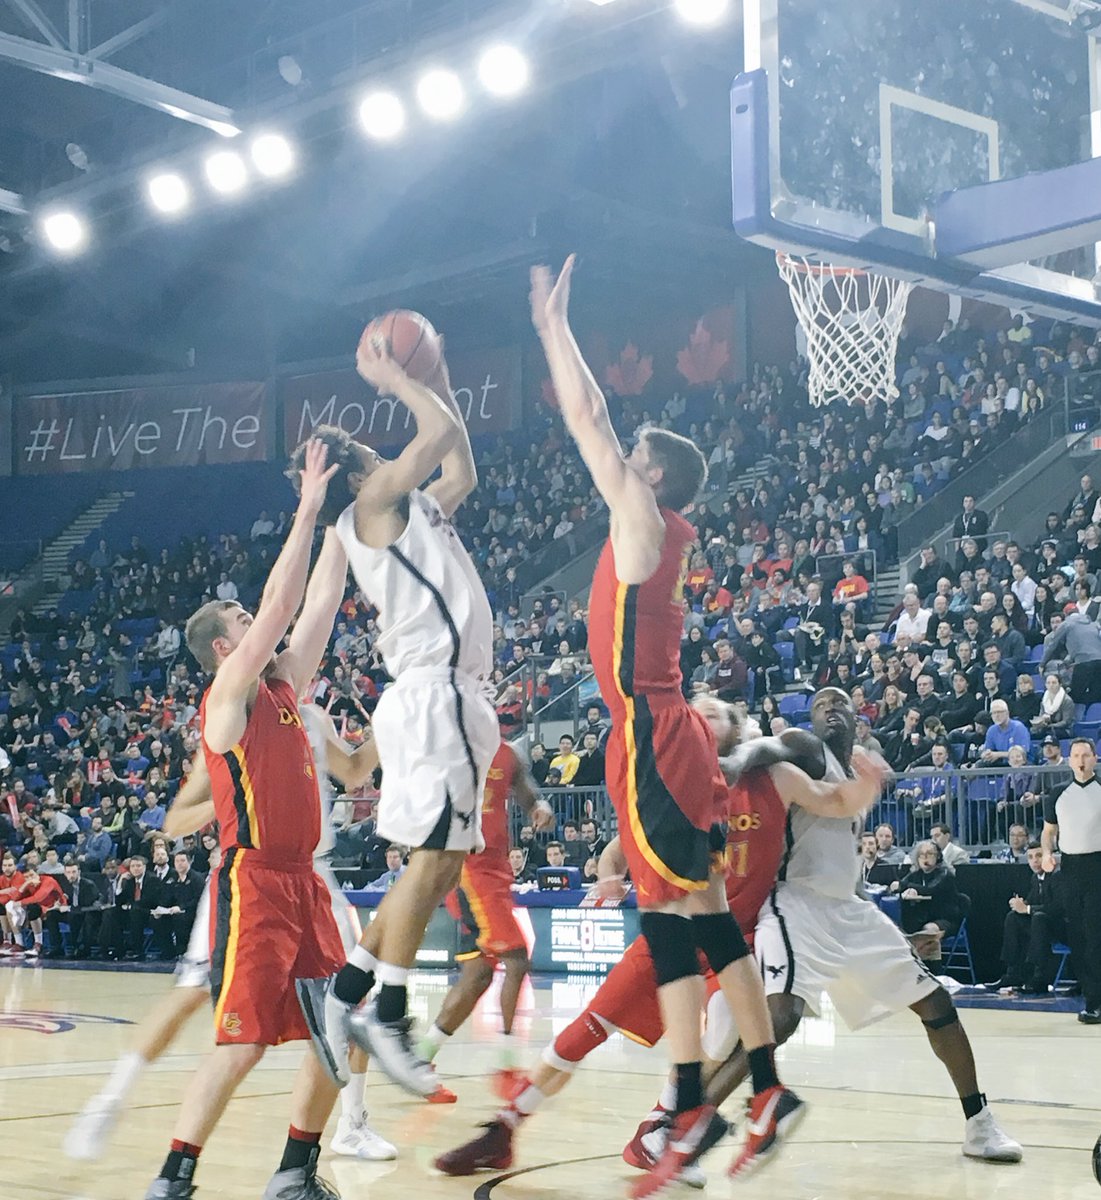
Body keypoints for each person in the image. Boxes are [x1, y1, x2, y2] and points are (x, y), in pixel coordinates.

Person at [526, 256, 801, 1194]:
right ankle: (761, 1086)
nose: (619, 464)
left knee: (674, 920)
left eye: (632, 459)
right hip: (668, 731)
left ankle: (689, 1102)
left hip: (649, 732)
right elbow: (599, 431)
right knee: (702, 915)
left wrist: (552, 329)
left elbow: (586, 419)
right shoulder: (655, 533)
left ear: (651, 475)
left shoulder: (640, 524)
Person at [434, 696, 882, 1182]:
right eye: (698, 712)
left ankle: (663, 1124)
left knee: (724, 1028)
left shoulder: (774, 778)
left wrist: (868, 785)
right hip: (667, 935)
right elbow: (615, 853)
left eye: (716, 713)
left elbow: (838, 801)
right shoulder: (675, 785)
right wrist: (608, 878)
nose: (703, 718)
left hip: (731, 942)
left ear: (737, 728)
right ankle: (506, 1127)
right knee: (583, 1032)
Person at [142, 440, 352, 1200]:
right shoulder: (227, 699)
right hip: (255, 882)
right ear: (228, 647)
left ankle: (295, 1171)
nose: (255, 619)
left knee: (341, 1034)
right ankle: (173, 1178)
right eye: (243, 616)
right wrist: (304, 509)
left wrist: (347, 519)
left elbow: (318, 603)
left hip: (306, 885)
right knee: (244, 1042)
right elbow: (282, 607)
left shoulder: (286, 686)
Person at [294, 331, 499, 1101]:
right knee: (433, 856)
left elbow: (461, 463)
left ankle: (348, 990)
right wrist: (391, 378)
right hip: (434, 689)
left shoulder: (411, 509)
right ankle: (387, 1010)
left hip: (445, 694)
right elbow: (438, 433)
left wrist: (437, 370)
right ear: (361, 469)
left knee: (442, 859)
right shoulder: (373, 499)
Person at [67, 702, 398, 1169]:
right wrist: (235, 792)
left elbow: (355, 770)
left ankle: (352, 1124)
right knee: (192, 994)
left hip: (315, 877)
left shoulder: (310, 717)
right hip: (248, 877)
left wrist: (392, 722)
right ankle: (110, 1097)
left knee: (351, 1007)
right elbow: (176, 820)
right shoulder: (233, 721)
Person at [715, 687, 1021, 1163]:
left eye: (841, 703)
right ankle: (689, 1125)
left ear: (861, 720)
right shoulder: (806, 748)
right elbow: (768, 747)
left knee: (936, 1001)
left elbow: (844, 862)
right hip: (797, 903)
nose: (831, 709)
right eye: (821, 705)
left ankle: (979, 1124)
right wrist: (736, 761)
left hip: (850, 910)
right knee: (781, 1016)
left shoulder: (857, 773)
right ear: (811, 721)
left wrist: (895, 936)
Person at [418, 741, 554, 1074]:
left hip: (497, 870)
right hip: (470, 869)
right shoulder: (451, 746)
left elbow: (529, 796)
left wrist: (541, 808)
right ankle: (507, 1062)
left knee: (478, 975)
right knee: (518, 958)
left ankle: (420, 1056)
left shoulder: (509, 753)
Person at [1042, 738, 1101, 1024]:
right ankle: (1092, 998)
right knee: (1077, 936)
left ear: (1094, 758)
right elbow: (1048, 831)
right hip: (1071, 867)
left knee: (1095, 935)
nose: (1080, 760)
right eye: (1076, 755)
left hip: (1097, 865)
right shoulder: (1057, 793)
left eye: (1086, 755)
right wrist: (1046, 853)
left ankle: (1097, 998)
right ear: (1069, 760)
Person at [987, 844, 1065, 995]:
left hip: (1061, 927)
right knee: (1013, 917)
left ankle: (1039, 976)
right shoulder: (1035, 878)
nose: (1035, 861)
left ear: (1050, 857)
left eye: (1039, 856)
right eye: (1030, 857)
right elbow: (1033, 902)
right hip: (1041, 926)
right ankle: (1013, 973)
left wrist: (1028, 909)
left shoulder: (1058, 876)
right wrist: (1021, 905)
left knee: (1038, 917)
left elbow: (1057, 908)